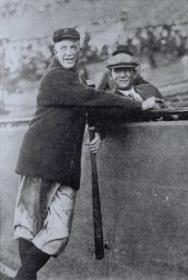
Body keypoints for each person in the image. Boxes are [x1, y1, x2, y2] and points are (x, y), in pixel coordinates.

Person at [13, 28, 162, 280]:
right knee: (28, 227)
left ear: (79, 50)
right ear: (55, 51)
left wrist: (100, 131)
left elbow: (93, 108)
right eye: (64, 48)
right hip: (39, 160)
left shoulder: (75, 78)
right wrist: (139, 105)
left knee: (58, 233)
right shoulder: (55, 77)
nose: (69, 52)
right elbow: (91, 98)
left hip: (65, 168)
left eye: (73, 47)